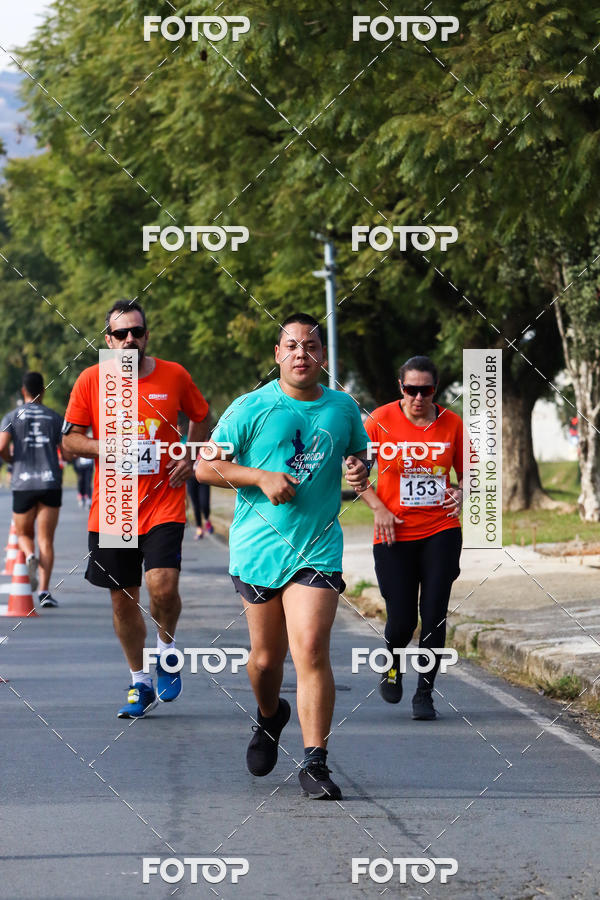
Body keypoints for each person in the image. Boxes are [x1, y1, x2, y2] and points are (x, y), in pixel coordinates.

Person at [195, 313, 370, 800]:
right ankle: (270, 715)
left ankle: (315, 763)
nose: (301, 354)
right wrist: (260, 477)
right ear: (277, 354)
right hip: (258, 550)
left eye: (310, 345)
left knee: (310, 647)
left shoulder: (343, 407)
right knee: (265, 661)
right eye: (291, 345)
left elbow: (360, 457)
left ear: (322, 355)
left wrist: (360, 471)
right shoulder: (251, 407)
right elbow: (205, 468)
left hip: (317, 547)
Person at [62, 299, 210, 718]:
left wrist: (190, 454)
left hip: (164, 498)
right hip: (115, 504)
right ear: (108, 340)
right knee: (123, 601)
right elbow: (70, 440)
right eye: (121, 333)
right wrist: (107, 447)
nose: (130, 339)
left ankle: (166, 649)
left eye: (137, 332)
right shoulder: (92, 380)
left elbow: (201, 416)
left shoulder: (174, 374)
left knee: (163, 586)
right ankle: (139, 681)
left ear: (147, 336)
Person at [359, 356, 463, 720]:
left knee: (433, 614)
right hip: (393, 533)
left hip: (441, 530)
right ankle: (392, 663)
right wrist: (379, 508)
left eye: (426, 390)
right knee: (402, 619)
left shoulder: (452, 424)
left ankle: (425, 693)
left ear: (436, 389)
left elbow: (471, 473)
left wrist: (462, 491)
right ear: (400, 387)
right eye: (411, 389)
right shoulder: (379, 420)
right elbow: (357, 475)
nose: (418, 397)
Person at [0, 372, 73, 608]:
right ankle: (44, 591)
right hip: (50, 482)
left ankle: (29, 556)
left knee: (24, 535)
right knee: (46, 540)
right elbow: (68, 452)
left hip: (23, 483)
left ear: (24, 391)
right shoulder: (54, 417)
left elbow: (1, 446)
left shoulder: (12, 416)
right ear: (43, 391)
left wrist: (10, 459)